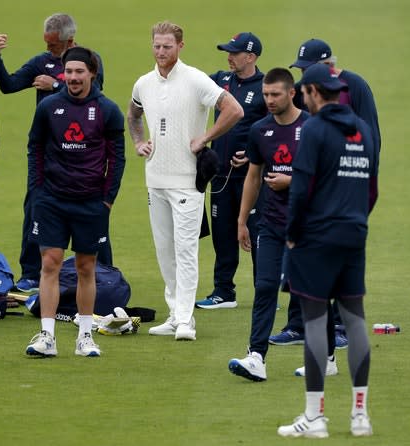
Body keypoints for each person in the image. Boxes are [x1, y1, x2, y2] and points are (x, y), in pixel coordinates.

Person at [276, 63, 378, 438]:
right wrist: (356, 220)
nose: (302, 97)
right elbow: (372, 186)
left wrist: (292, 235)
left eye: (304, 92)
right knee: (355, 320)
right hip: (354, 234)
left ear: (316, 92)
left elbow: (300, 188)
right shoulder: (362, 129)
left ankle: (315, 417)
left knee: (316, 322)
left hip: (316, 238)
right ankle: (360, 415)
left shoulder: (315, 129)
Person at [127, 21, 243, 341]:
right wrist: (139, 142)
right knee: (165, 250)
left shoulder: (195, 80)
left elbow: (233, 109)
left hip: (187, 181)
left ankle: (186, 319)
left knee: (186, 249)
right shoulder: (144, 83)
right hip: (155, 179)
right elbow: (133, 115)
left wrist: (205, 137)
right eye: (156, 46)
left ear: (180, 46)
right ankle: (174, 312)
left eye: (167, 46)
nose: (161, 51)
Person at [270, 38, 381, 353]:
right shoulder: (311, 93)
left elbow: (371, 137)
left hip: (343, 189)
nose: (304, 80)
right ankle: (296, 326)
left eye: (308, 71)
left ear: (329, 66)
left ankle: (339, 329)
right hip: (311, 180)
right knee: (300, 258)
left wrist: (360, 192)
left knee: (334, 263)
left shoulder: (355, 87)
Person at [0, 13, 108, 293]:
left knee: (90, 209)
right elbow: (8, 86)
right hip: (47, 149)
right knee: (34, 206)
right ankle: (30, 272)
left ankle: (102, 270)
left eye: (53, 45)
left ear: (69, 40)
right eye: (46, 43)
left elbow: (97, 91)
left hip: (82, 150)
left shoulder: (89, 60)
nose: (48, 49)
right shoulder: (41, 63)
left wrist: (54, 85)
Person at [24, 46, 125, 357]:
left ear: (91, 73)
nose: (73, 77)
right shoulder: (49, 107)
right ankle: (47, 337)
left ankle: (84, 337)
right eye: (68, 72)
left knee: (85, 267)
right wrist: (38, 191)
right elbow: (35, 149)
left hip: (90, 203)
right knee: (50, 263)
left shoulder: (108, 110)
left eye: (79, 72)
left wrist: (107, 200)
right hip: (52, 200)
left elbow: (116, 158)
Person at [227, 68, 310, 381]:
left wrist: (291, 180)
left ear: (291, 93)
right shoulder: (260, 130)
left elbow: (325, 177)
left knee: (308, 290)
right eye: (265, 95)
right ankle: (256, 357)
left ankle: (324, 355)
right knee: (264, 287)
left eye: (276, 94)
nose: (270, 100)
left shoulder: (312, 128)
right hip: (271, 223)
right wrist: (242, 220)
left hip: (307, 225)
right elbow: (253, 176)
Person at [195, 32, 267, 309]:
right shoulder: (220, 81)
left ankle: (265, 293)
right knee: (223, 234)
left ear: (250, 57)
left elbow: (274, 128)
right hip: (222, 176)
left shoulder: (265, 87)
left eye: (234, 53)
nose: (229, 57)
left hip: (253, 178)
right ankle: (223, 292)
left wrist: (253, 154)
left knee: (258, 235)